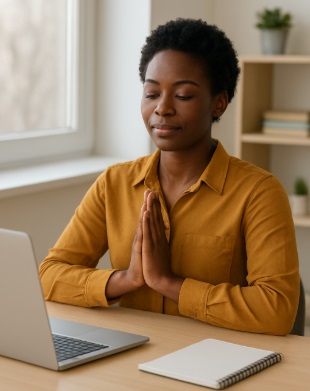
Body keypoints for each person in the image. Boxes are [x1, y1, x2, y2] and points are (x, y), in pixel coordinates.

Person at [39, 18, 299, 335]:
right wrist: (127, 279)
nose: (162, 109)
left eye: (183, 96)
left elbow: (277, 310)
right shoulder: (115, 183)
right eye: (151, 93)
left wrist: (168, 283)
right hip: (133, 356)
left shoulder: (259, 192)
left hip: (220, 361)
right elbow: (49, 275)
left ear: (219, 103)